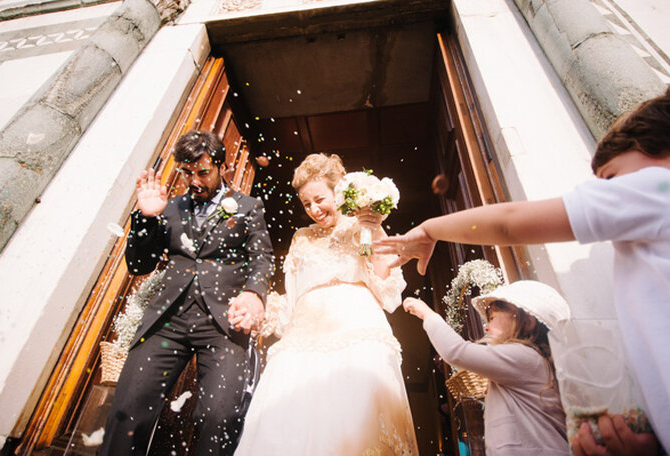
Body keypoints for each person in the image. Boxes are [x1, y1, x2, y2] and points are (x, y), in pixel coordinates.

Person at [374, 87, 670, 455]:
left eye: (611, 179)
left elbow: (509, 223)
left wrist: (430, 229)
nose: (606, 193)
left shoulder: (659, 188)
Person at [99, 130, 274, 456]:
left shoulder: (249, 207)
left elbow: (262, 258)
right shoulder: (169, 207)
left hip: (224, 324)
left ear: (222, 166)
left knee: (219, 417)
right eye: (187, 173)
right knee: (128, 409)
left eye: (203, 172)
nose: (195, 181)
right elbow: (140, 264)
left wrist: (254, 293)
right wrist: (145, 219)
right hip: (167, 321)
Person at [233, 153, 419, 456]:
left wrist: (374, 228)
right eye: (307, 205)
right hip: (304, 337)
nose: (314, 210)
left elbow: (386, 292)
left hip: (356, 328)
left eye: (319, 199)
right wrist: (260, 311)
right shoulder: (300, 237)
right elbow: (291, 296)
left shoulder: (362, 224)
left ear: (338, 192)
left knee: (356, 422)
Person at [404, 280, 570, 455]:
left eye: (492, 318)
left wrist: (428, 315)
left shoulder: (525, 357)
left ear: (527, 322)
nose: (486, 326)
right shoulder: (530, 361)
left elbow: (455, 351)